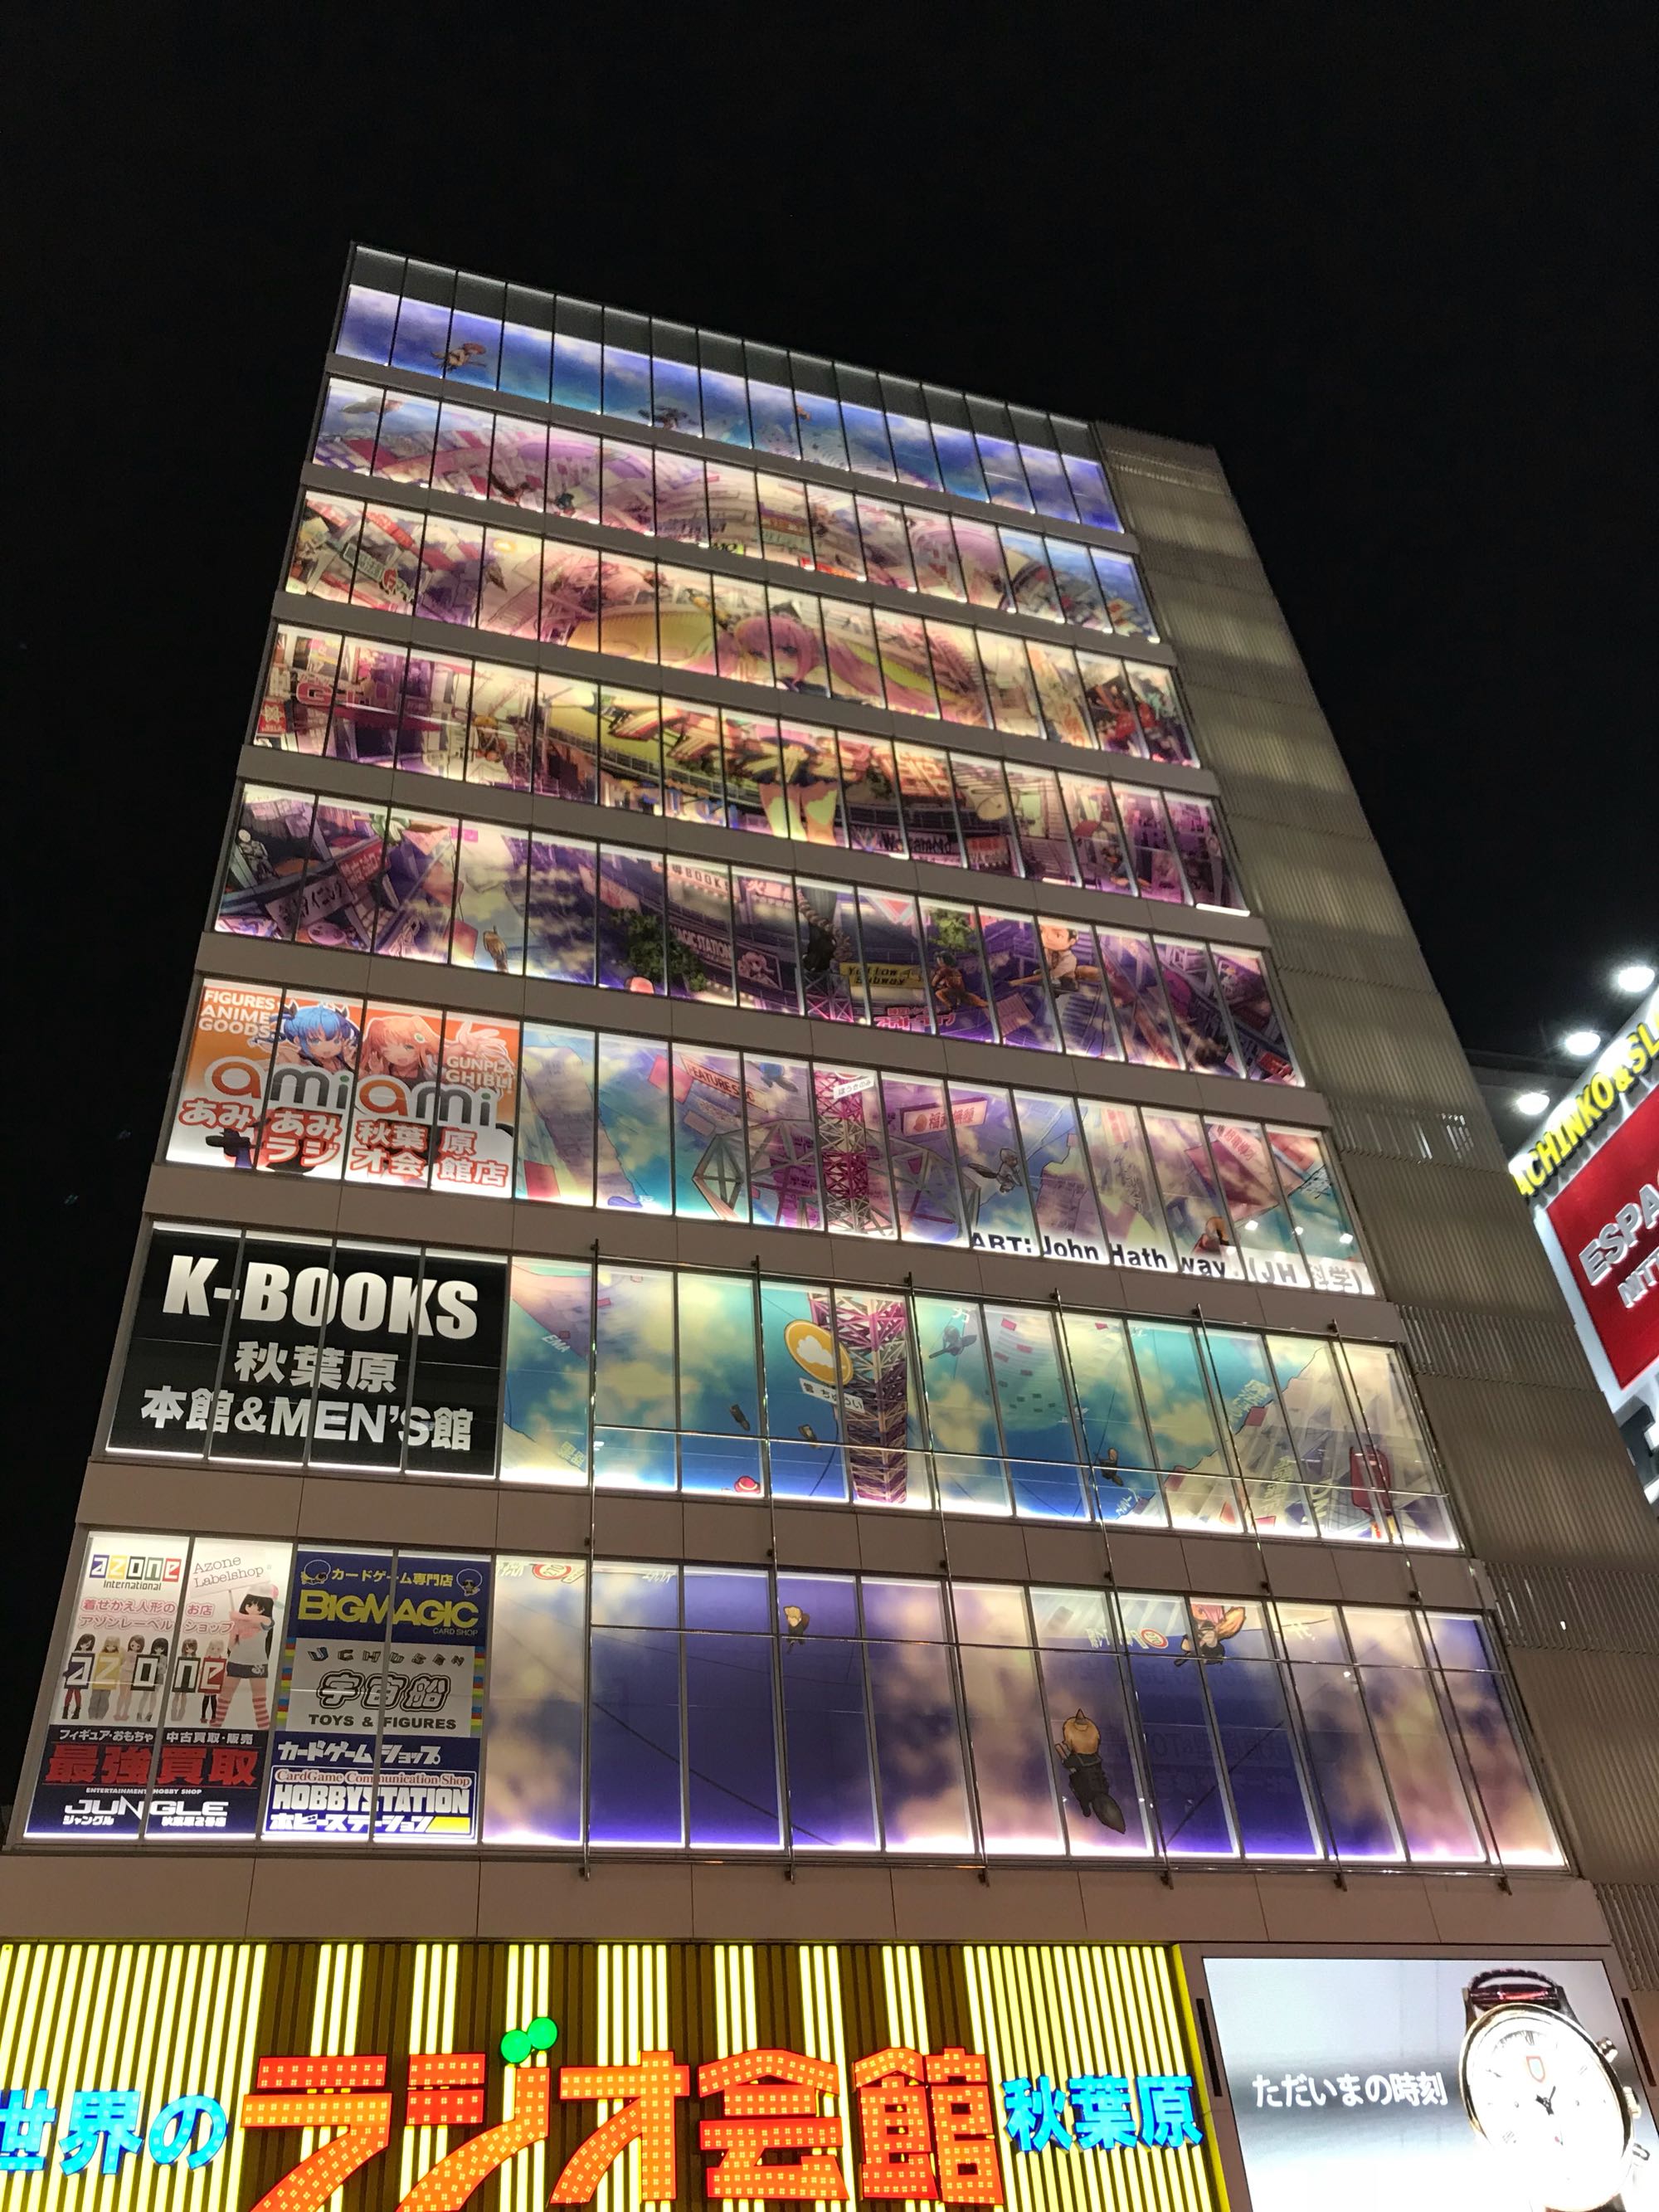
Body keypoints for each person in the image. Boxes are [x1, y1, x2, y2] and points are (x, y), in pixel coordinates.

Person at [1053, 1711, 1126, 1831]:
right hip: (1097, 1791)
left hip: (1089, 1791)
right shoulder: (1095, 1758)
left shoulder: (1077, 1759)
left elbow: (1067, 1763)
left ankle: (1089, 1810)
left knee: (1085, 1801)